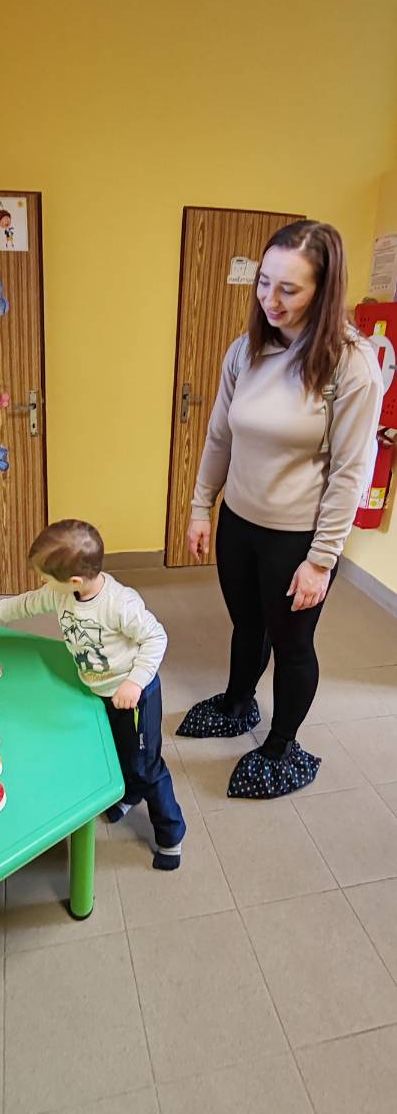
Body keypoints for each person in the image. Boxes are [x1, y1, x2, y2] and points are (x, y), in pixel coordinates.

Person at [179, 220, 383, 799]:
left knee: (292, 644)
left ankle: (280, 746)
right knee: (247, 625)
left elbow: (350, 472)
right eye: (264, 282)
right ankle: (237, 702)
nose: (271, 299)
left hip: (298, 539)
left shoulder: (351, 365)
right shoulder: (246, 349)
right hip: (239, 523)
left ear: (324, 289)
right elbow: (220, 435)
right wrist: (201, 507)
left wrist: (321, 561)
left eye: (289, 289)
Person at [0, 519, 186, 868]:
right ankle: (128, 794)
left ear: (74, 580)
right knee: (115, 751)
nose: (44, 585)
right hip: (102, 692)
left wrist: (134, 682)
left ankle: (171, 836)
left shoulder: (120, 603)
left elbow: (156, 637)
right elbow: (24, 604)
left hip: (136, 695)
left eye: (47, 578)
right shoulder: (62, 593)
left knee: (146, 767)